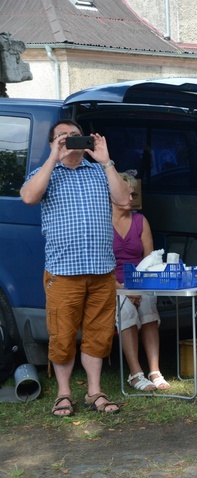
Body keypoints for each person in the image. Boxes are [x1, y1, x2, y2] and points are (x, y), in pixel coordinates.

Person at [20, 119, 130, 416]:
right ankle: (64, 393)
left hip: (102, 271)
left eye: (75, 136)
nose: (70, 140)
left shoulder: (99, 172)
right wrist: (52, 159)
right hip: (63, 272)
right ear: (53, 143)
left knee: (98, 334)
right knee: (63, 335)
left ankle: (94, 392)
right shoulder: (44, 174)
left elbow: (123, 200)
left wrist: (106, 162)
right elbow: (29, 197)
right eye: (62, 137)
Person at [113, 173, 168, 391]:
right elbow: (97, 265)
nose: (131, 197)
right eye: (127, 193)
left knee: (148, 307)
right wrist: (123, 290)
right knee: (126, 311)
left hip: (140, 283)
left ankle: (154, 371)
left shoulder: (140, 221)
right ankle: (135, 374)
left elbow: (151, 261)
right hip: (111, 285)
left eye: (134, 193)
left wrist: (139, 288)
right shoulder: (101, 222)